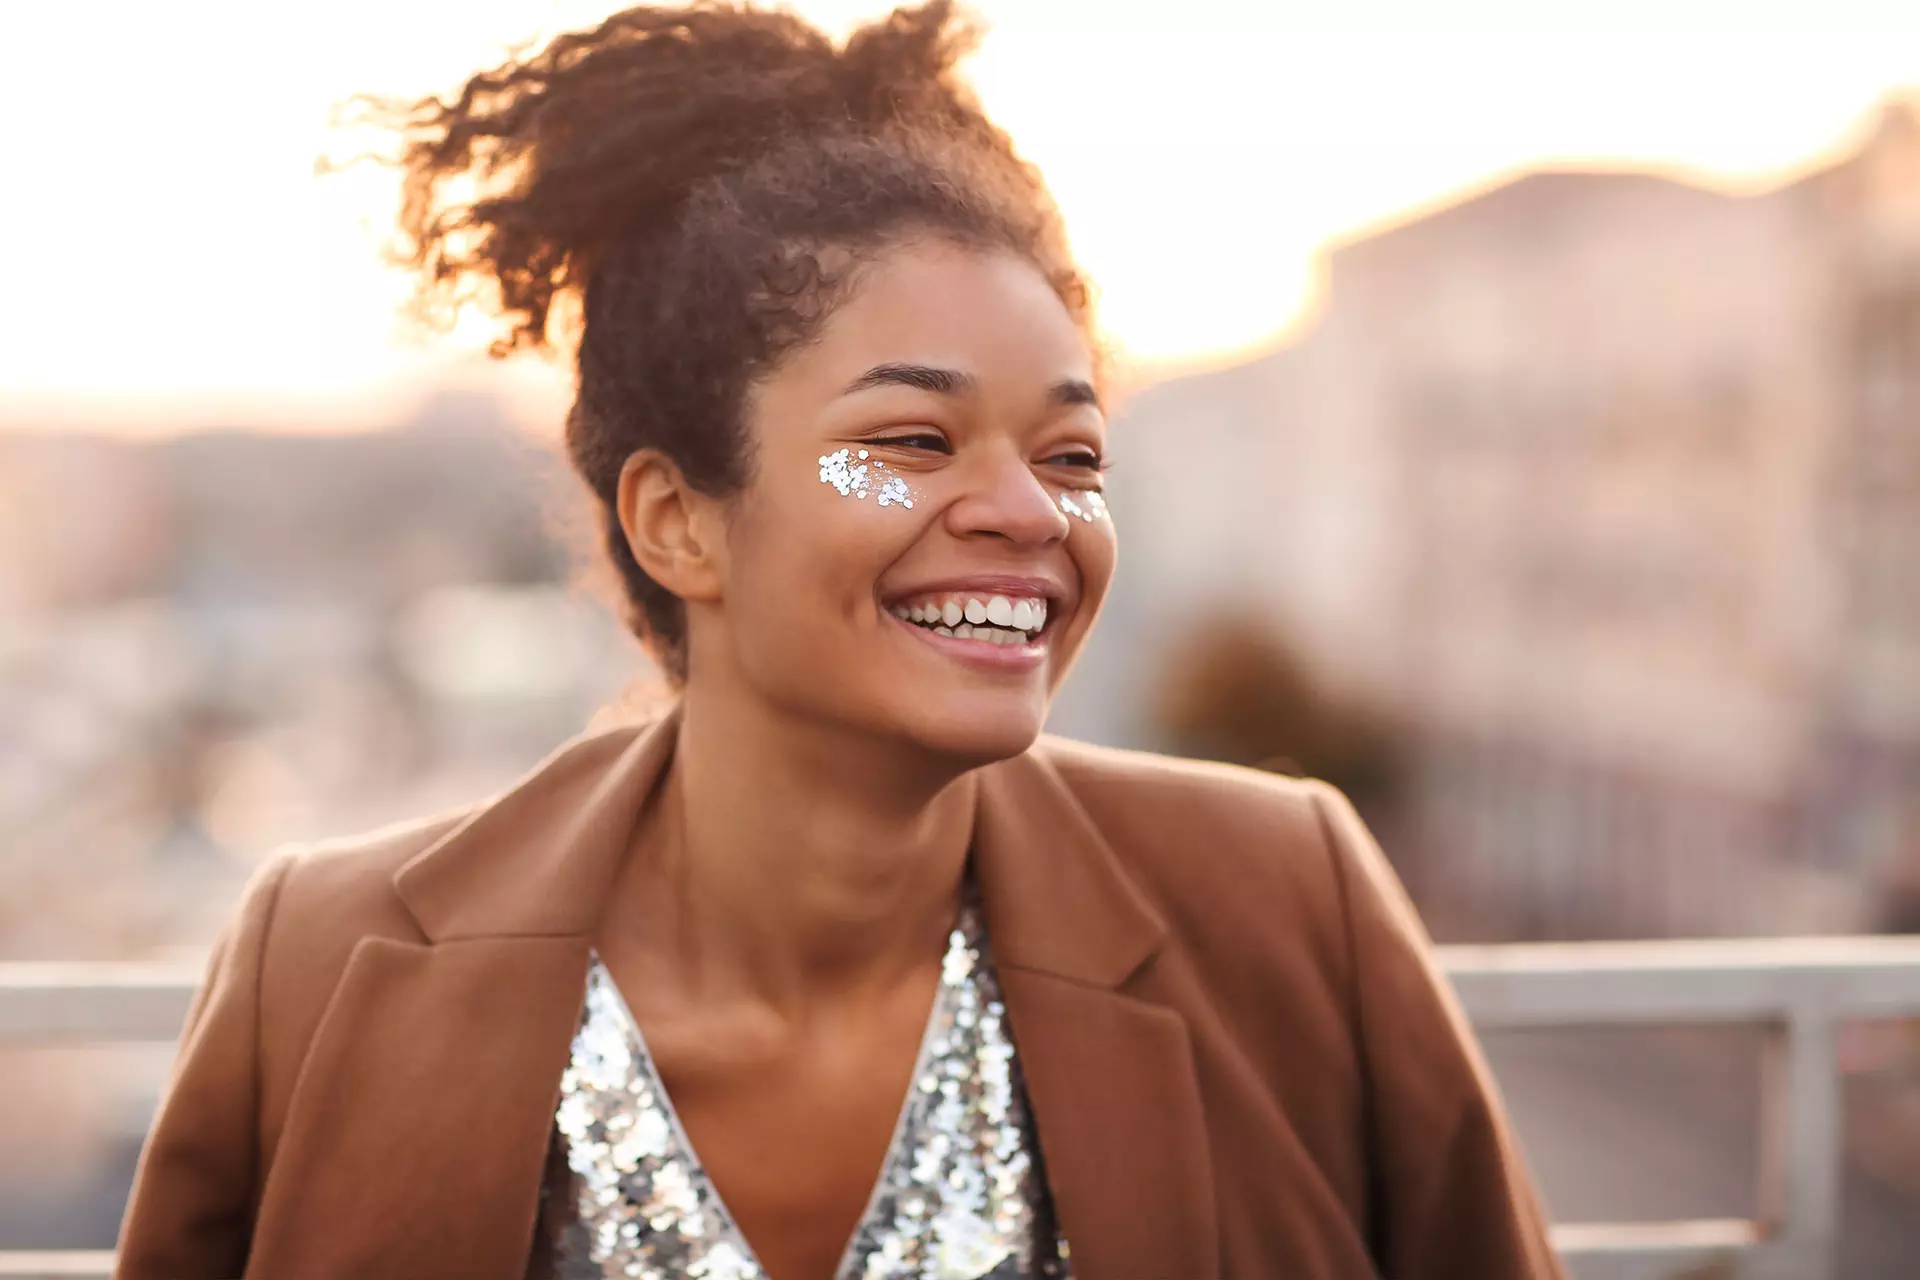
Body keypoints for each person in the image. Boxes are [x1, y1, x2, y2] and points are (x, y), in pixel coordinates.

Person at [114, 3, 1565, 1277]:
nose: (1026, 511)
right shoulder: (325, 959)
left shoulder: (1289, 905)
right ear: (679, 521)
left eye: (1070, 455)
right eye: (909, 440)